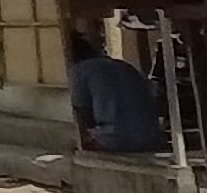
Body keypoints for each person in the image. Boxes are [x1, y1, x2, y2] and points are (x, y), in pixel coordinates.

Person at [65, 24, 164, 155]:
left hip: (116, 138)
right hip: (152, 137)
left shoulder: (78, 71)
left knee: (72, 147)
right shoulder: (123, 65)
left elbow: (83, 113)